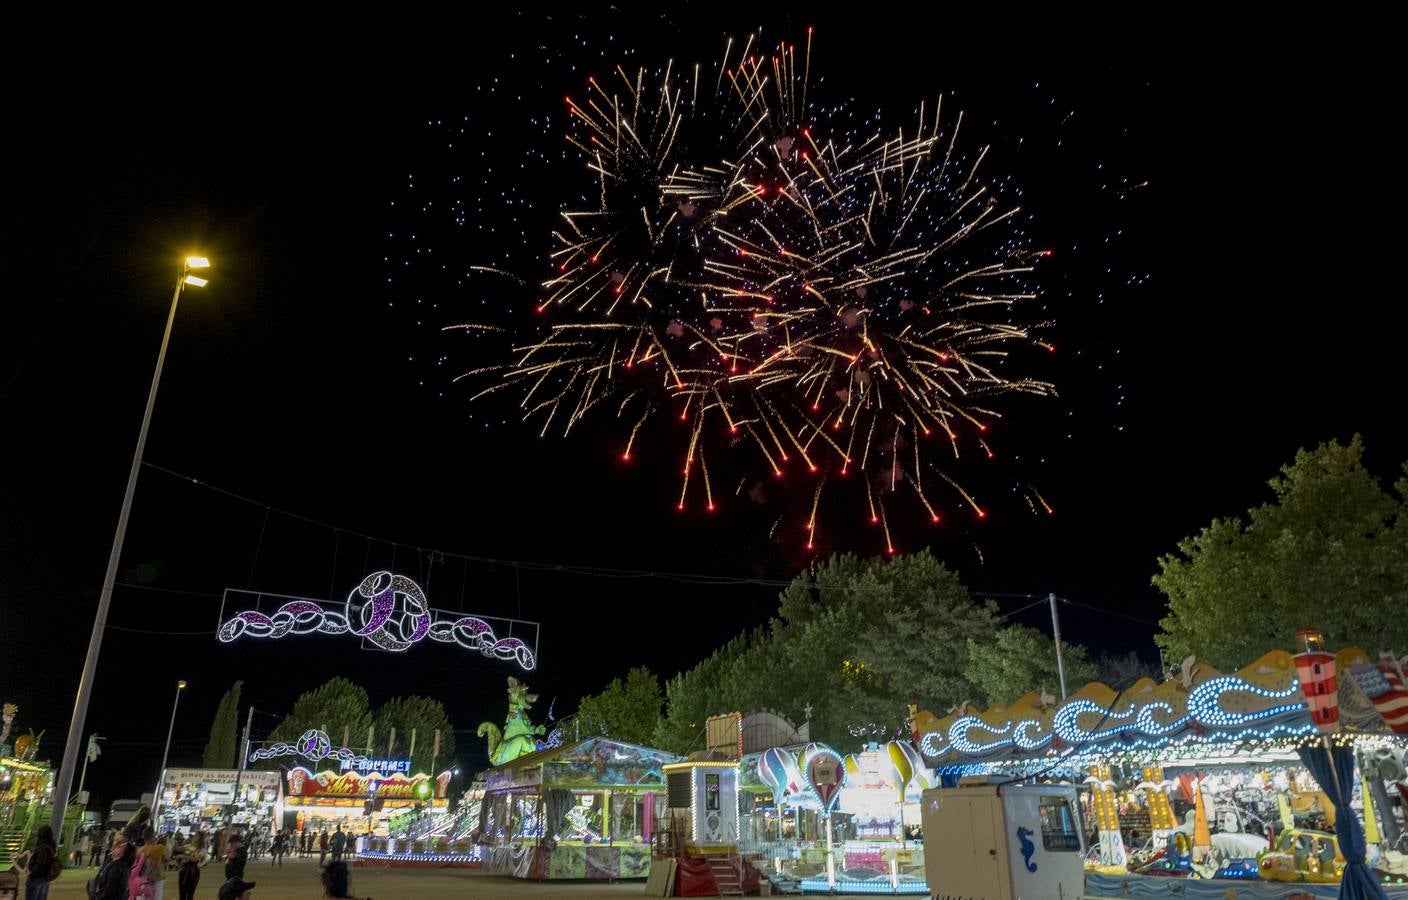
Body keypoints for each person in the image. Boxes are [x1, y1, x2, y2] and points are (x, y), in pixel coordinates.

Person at [92, 835, 135, 900]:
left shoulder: (117, 867)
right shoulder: (116, 863)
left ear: (124, 853)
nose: (115, 847)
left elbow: (109, 891)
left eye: (119, 847)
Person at [23, 824, 58, 900]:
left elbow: (40, 864)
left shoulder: (42, 847)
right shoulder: (52, 846)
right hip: (45, 878)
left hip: (37, 878)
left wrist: (32, 874)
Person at [141, 831, 169, 900]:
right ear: (152, 837)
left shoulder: (141, 849)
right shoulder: (160, 847)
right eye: (154, 836)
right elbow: (166, 860)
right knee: (157, 896)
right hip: (157, 875)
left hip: (144, 876)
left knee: (145, 896)